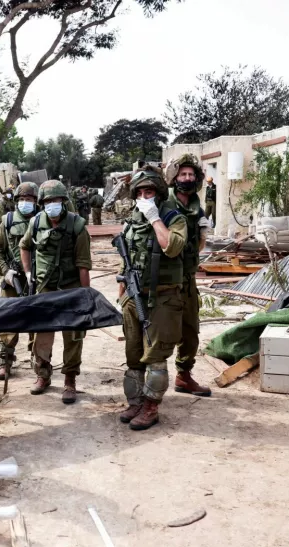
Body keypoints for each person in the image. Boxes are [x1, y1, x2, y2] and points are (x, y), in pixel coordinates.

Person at [117, 168, 188, 430]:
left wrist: (155, 218)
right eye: (140, 193)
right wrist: (122, 288)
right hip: (134, 296)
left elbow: (172, 247)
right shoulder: (132, 220)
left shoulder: (172, 217)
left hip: (162, 299)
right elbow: (127, 256)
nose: (144, 197)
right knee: (133, 356)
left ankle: (151, 407)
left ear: (159, 193)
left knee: (155, 358)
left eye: (149, 192)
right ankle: (134, 402)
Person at [20, 180, 92, 404]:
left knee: (73, 336)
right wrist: (28, 272)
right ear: (42, 203)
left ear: (64, 201)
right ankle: (43, 375)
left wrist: (85, 295)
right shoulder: (35, 222)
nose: (52, 204)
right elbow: (25, 246)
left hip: (70, 287)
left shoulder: (77, 226)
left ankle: (70, 380)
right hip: (44, 287)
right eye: (48, 201)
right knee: (42, 334)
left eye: (56, 200)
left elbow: (83, 264)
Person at [166, 155, 212, 397]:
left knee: (190, 329)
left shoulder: (196, 205)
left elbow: (199, 245)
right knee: (160, 331)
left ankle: (184, 376)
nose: (187, 178)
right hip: (165, 278)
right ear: (174, 178)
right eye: (183, 174)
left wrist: (203, 231)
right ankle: (153, 381)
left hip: (188, 278)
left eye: (191, 175)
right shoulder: (165, 203)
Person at [0, 182, 38, 380]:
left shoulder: (43, 221)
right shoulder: (8, 221)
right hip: (14, 280)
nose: (25, 203)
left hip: (38, 280)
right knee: (8, 321)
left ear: (36, 202)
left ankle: (40, 364)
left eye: (29, 199)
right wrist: (5, 271)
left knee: (38, 324)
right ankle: (5, 362)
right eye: (21, 199)